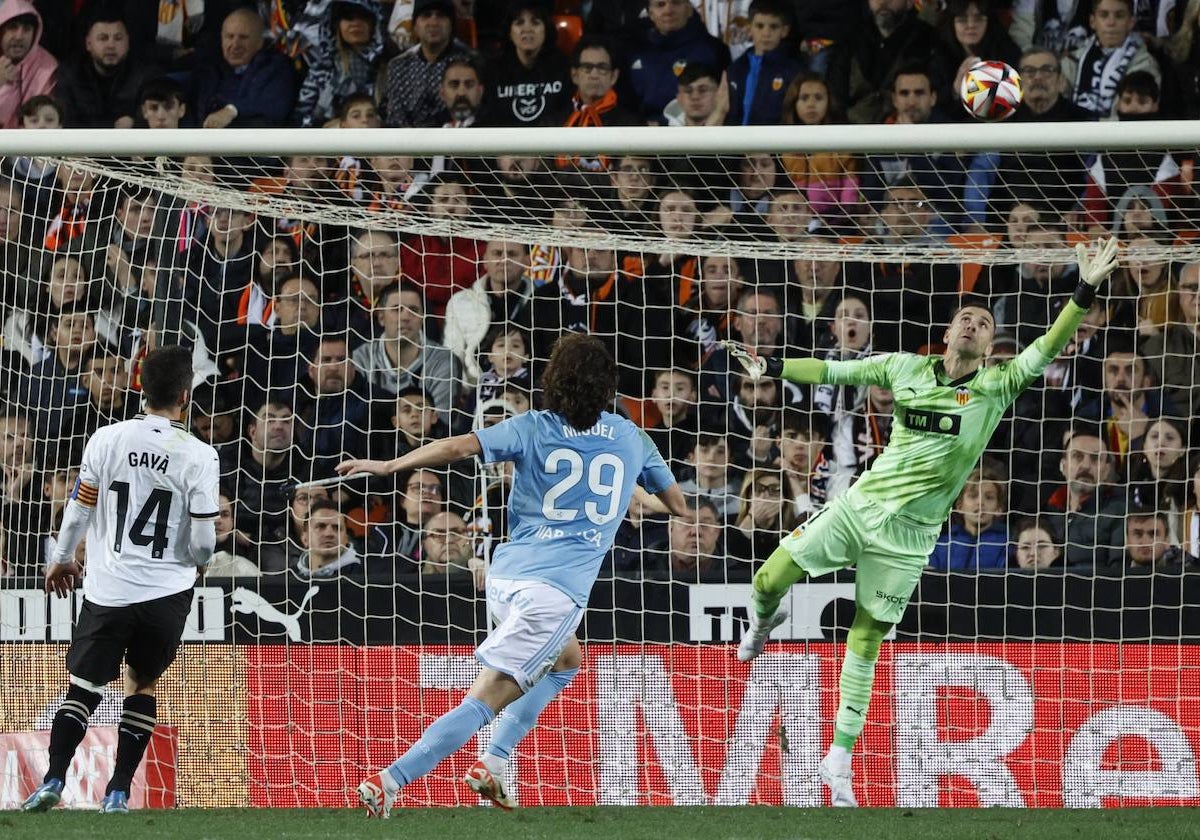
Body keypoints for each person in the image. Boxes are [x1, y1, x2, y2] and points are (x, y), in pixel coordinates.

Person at [723, 237, 1121, 807]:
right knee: (767, 580)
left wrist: (1082, 292)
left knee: (865, 638)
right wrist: (773, 364)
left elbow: (1047, 345)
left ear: (989, 345)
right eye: (965, 317)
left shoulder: (995, 387)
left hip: (910, 537)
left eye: (983, 323)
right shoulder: (906, 367)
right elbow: (835, 371)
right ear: (949, 330)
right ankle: (761, 627)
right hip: (861, 507)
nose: (972, 324)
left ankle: (838, 761)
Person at [336, 333, 685, 816]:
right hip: (554, 593)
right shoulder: (632, 438)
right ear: (609, 389)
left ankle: (496, 761)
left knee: (566, 661)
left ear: (552, 383)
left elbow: (458, 447)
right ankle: (393, 778)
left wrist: (391, 463)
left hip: (505, 577)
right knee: (489, 697)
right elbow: (677, 504)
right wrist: (628, 494)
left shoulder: (531, 425)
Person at [21, 346, 219, 815]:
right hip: (166, 593)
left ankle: (52, 780)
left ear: (138, 386)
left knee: (83, 688)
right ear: (185, 395)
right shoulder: (199, 455)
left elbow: (79, 508)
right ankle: (118, 792)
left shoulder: (106, 439)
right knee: (141, 684)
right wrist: (195, 562)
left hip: (109, 590)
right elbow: (207, 543)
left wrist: (63, 558)